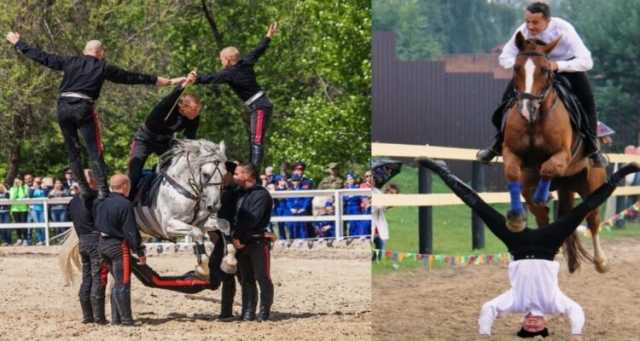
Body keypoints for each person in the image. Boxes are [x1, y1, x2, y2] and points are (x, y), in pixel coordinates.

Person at [419, 157, 640, 340]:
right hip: (548, 244)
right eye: (537, 328)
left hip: (517, 245)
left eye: (528, 328)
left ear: (523, 321)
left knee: (478, 206)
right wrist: (576, 334)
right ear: (544, 323)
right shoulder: (554, 303)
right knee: (586, 207)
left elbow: (489, 308)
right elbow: (576, 311)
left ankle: (442, 171)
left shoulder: (515, 302)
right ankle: (620, 175)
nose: (533, 324)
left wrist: (484, 334)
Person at [6, 32, 175, 199]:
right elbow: (131, 77)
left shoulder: (70, 61)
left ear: (85, 50)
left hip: (63, 107)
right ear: (100, 52)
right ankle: (103, 190)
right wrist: (161, 81)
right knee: (95, 149)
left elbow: (43, 57)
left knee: (73, 150)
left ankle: (84, 188)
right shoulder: (102, 66)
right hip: (83, 107)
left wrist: (18, 43)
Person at [476, 2, 606, 167]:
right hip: (535, 71)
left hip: (568, 67)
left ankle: (593, 148)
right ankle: (496, 144)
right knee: (506, 99)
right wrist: (523, 64)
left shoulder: (564, 29)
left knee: (588, 101)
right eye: (527, 21)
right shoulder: (522, 31)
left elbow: (587, 61)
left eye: (535, 22)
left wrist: (557, 65)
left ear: (548, 20)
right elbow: (504, 58)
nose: (530, 26)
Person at [196, 23, 279, 169]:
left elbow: (210, 78)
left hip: (260, 105)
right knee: (254, 139)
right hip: (260, 105)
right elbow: (258, 50)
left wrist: (194, 79)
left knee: (257, 140)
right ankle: (252, 167)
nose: (221, 62)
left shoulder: (229, 73)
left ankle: (253, 171)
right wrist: (268, 37)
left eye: (221, 59)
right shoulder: (246, 62)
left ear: (227, 59)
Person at [127, 71, 202, 192]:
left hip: (165, 142)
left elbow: (190, 138)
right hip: (145, 138)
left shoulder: (194, 118)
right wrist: (186, 83)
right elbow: (175, 94)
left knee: (176, 165)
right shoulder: (168, 106)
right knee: (134, 171)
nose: (196, 114)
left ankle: (155, 182)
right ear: (184, 107)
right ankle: (128, 198)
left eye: (198, 111)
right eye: (194, 111)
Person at [94, 174, 146, 326]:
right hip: (118, 247)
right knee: (123, 283)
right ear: (124, 186)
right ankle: (126, 320)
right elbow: (131, 231)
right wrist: (140, 251)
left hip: (102, 245)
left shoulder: (101, 203)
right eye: (129, 186)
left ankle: (116, 319)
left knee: (116, 282)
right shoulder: (125, 204)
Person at [231, 163, 274, 321]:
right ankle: (248, 312)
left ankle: (264, 312)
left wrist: (237, 236)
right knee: (246, 279)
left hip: (257, 242)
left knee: (262, 277)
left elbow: (253, 219)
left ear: (247, 175)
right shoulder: (239, 194)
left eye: (237, 173)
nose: (234, 176)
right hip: (241, 243)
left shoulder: (261, 195)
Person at [69, 169, 107, 324]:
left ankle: (87, 316)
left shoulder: (72, 202)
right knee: (98, 278)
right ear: (91, 181)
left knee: (86, 278)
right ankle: (99, 317)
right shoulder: (95, 200)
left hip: (82, 241)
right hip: (95, 240)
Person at [9, 177, 29, 246]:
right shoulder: (12, 189)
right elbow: (12, 198)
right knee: (17, 225)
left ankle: (25, 240)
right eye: (16, 182)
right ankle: (19, 239)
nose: (17, 182)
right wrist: (16, 188)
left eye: (18, 181)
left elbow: (25, 195)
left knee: (24, 224)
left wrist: (20, 187)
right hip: (15, 209)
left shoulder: (25, 187)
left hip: (24, 209)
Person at [29, 177, 47, 245]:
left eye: (39, 182)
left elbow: (47, 195)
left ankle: (45, 239)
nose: (37, 183)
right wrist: (33, 188)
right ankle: (40, 240)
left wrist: (45, 188)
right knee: (37, 225)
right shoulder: (31, 189)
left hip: (42, 209)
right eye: (36, 182)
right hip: (34, 209)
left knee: (43, 224)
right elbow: (30, 196)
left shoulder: (43, 188)